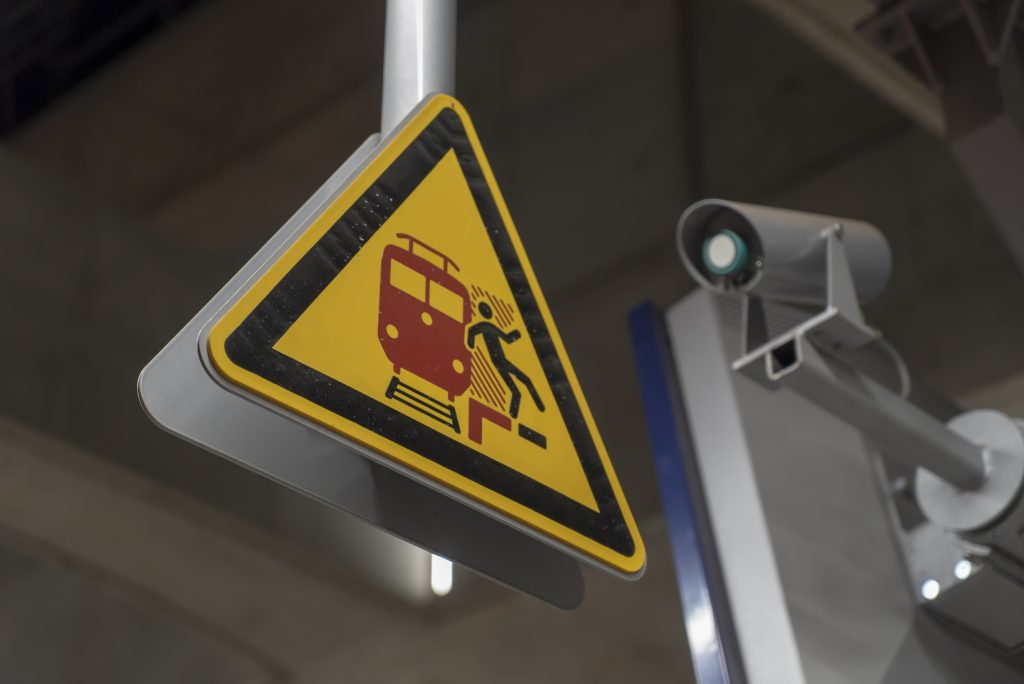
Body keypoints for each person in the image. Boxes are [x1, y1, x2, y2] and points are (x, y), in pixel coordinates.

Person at [467, 302, 545, 419]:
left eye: (489, 310)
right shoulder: (484, 326)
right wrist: (470, 344)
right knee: (526, 381)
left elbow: (507, 339)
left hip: (500, 360)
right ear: (484, 311)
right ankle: (539, 409)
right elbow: (471, 330)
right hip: (499, 361)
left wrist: (515, 335)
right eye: (487, 310)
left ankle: (517, 415)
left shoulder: (490, 327)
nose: (489, 312)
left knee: (517, 389)